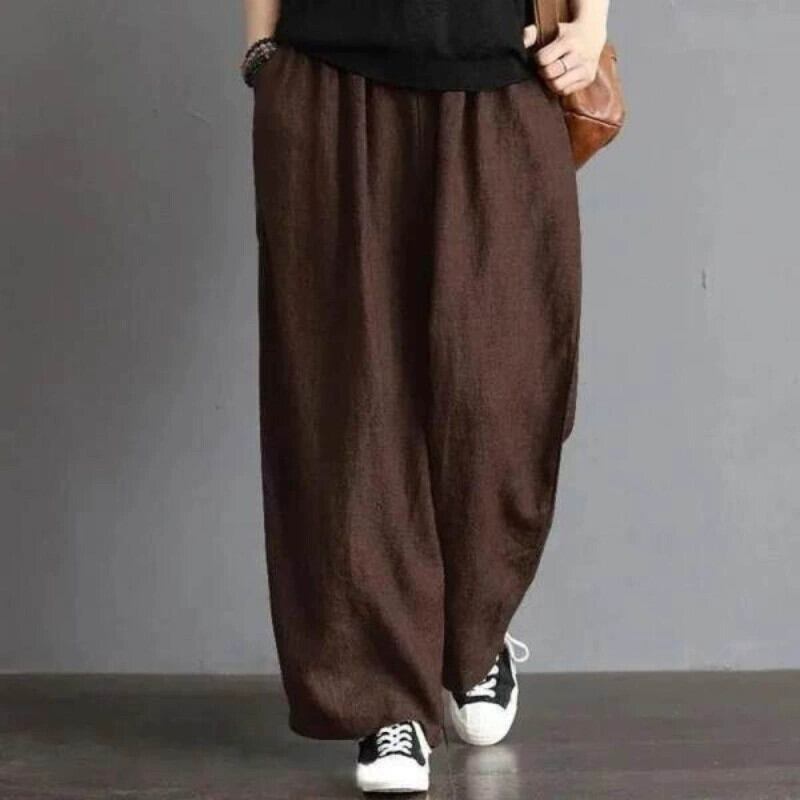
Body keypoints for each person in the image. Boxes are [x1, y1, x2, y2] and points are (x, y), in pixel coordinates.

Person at [242, 0, 609, 793]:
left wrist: (592, 26)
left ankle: (474, 637)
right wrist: (261, 54)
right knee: (348, 406)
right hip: (329, 79)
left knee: (502, 395)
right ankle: (387, 703)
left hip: (501, 82)